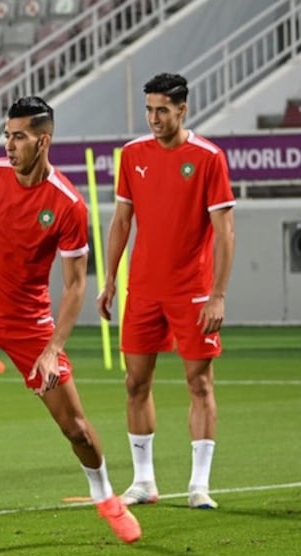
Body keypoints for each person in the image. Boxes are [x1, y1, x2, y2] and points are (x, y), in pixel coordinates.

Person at [0, 97, 142, 556]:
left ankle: (105, 496)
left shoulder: (67, 205)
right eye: (6, 135)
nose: (9, 145)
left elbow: (76, 284)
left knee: (77, 429)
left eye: (18, 136)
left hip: (31, 325)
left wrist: (53, 347)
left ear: (43, 140)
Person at [98, 73, 236, 510]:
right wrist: (108, 281)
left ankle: (199, 485)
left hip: (193, 294)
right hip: (142, 291)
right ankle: (144, 482)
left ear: (182, 109)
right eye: (149, 110)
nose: (154, 118)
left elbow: (225, 231)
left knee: (199, 383)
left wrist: (218, 294)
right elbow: (122, 222)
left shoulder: (209, 158)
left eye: (162, 110)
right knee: (135, 383)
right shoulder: (133, 155)